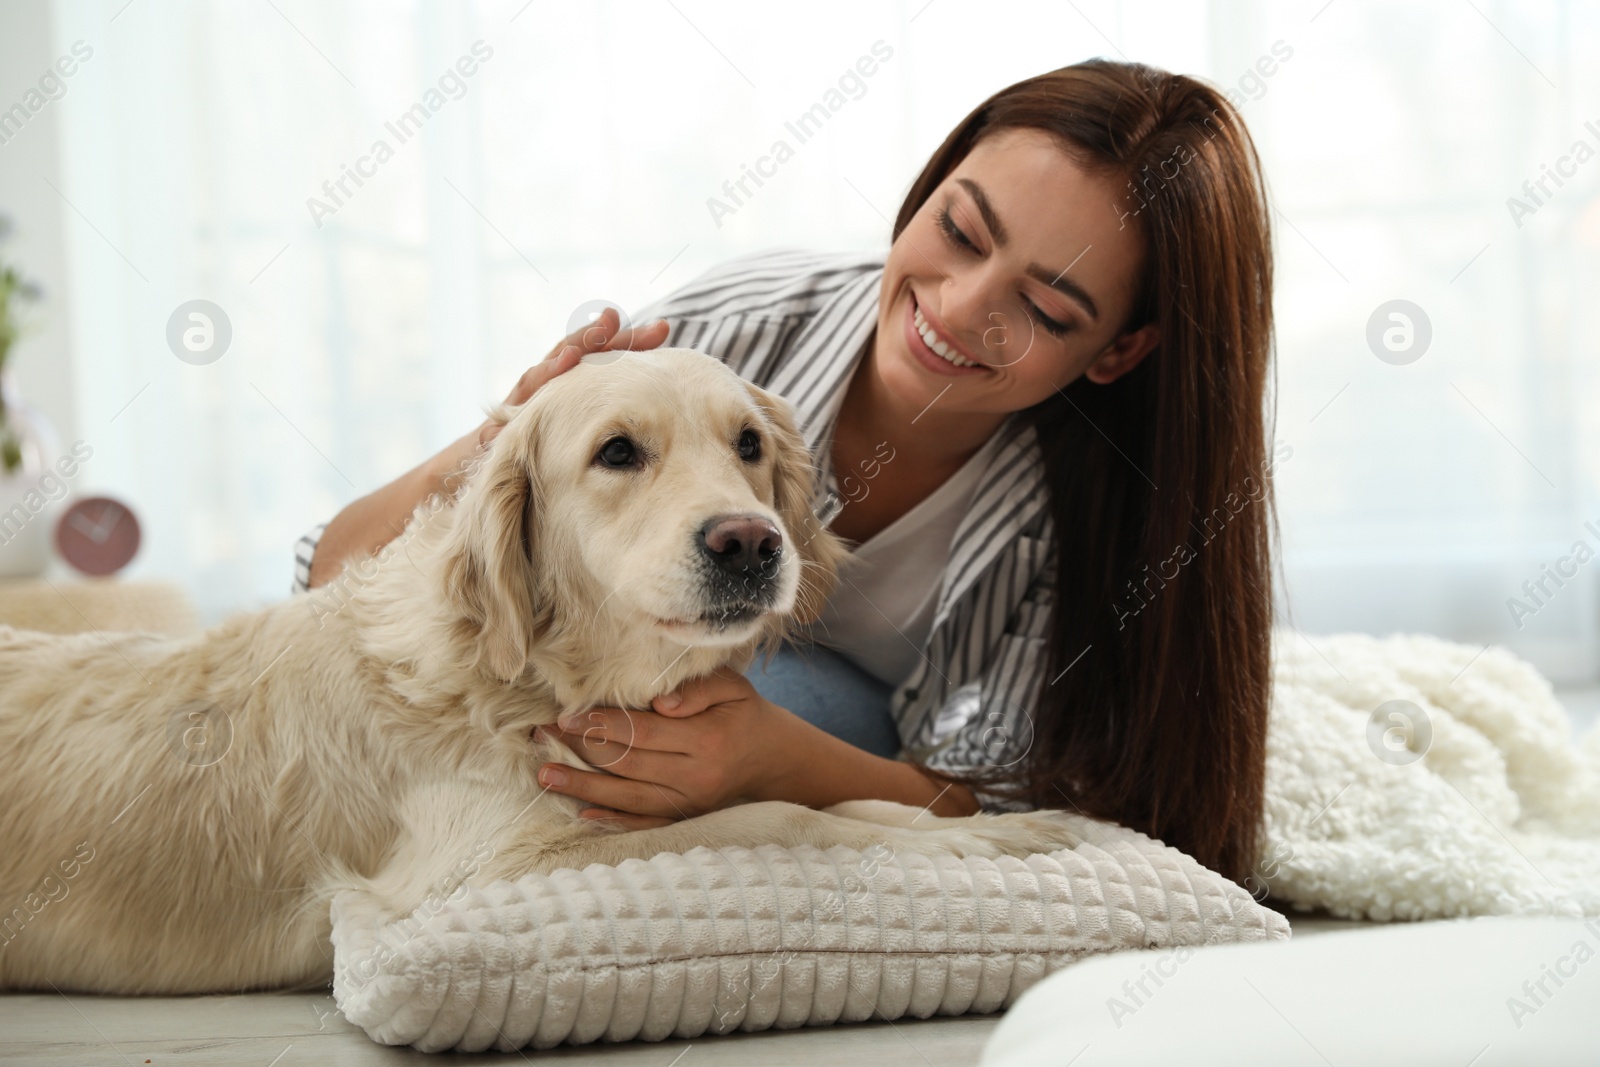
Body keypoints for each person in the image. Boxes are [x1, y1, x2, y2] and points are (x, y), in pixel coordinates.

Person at [291, 59, 1278, 884]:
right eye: (960, 231)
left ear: (1116, 350)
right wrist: (501, 433)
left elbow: (1004, 796)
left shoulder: (1090, 510)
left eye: (1047, 308)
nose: (959, 306)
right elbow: (331, 574)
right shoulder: (730, 333)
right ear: (927, 187)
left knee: (794, 702)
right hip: (658, 669)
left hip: (839, 725)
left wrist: (779, 760)